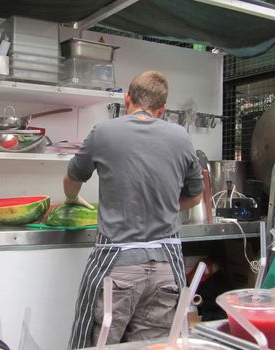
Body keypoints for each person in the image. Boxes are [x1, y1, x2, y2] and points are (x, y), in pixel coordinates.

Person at [64, 71, 204, 349]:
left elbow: (72, 180)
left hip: (118, 266)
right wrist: (164, 205)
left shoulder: (104, 131)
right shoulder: (181, 137)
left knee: (99, 344)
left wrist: (71, 200)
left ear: (127, 98)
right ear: (161, 110)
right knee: (152, 346)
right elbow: (195, 197)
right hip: (166, 268)